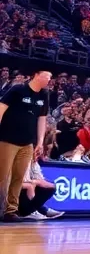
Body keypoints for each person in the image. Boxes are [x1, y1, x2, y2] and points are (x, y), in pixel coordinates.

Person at [0, 69, 51, 222]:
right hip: (7, 140)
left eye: (50, 77)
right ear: (35, 75)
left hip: (27, 143)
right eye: (46, 76)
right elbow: (1, 109)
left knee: (18, 177)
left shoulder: (44, 95)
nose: (49, 79)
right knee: (2, 176)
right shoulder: (18, 90)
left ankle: (11, 211)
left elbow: (42, 119)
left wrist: (40, 142)